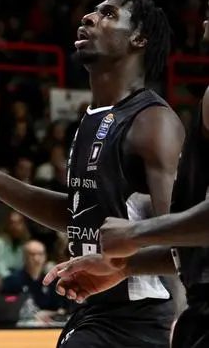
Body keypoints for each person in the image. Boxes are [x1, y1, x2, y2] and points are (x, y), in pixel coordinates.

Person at [0, 0, 183, 348]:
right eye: (91, 11)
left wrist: (178, 318)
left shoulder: (153, 122)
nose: (88, 18)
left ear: (138, 39)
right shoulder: (92, 119)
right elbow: (77, 214)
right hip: (96, 310)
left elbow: (182, 242)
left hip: (142, 321)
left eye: (107, 14)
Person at [46, 78, 209, 348]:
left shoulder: (153, 120)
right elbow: (192, 243)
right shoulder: (95, 117)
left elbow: (188, 228)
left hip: (146, 313)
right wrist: (126, 265)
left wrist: (136, 234)